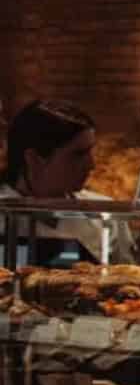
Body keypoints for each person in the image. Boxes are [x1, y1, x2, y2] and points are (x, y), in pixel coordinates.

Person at [0, 100, 127, 265]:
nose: (91, 165)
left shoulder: (104, 216)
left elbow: (129, 279)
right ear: (33, 159)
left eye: (90, 152)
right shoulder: (4, 214)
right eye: (78, 154)